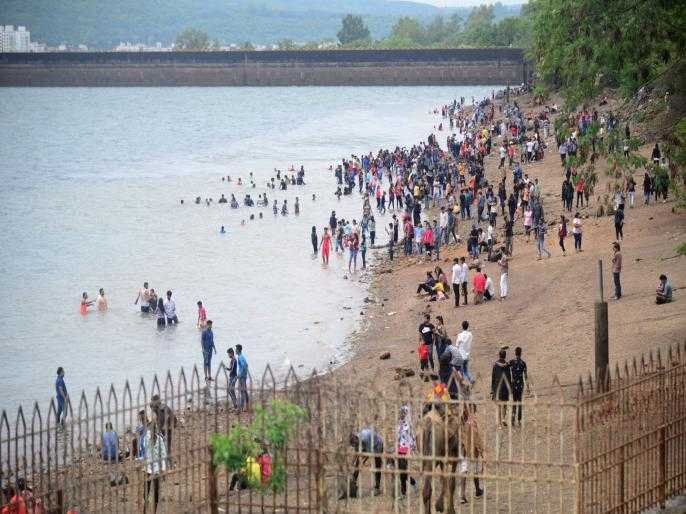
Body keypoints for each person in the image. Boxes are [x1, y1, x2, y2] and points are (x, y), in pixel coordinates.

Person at [347, 428, 384, 498]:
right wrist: (352, 463)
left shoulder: (365, 438)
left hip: (378, 444)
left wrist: (362, 461)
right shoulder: (356, 438)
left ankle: (377, 487)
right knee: (358, 463)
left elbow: (369, 453)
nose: (355, 445)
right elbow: (356, 451)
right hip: (368, 445)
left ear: (356, 438)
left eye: (355, 444)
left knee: (377, 465)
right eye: (354, 445)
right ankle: (353, 483)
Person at [143, 411, 168, 514]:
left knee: (147, 489)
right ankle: (153, 508)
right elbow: (164, 455)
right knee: (154, 490)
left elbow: (144, 448)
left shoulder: (147, 438)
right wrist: (163, 469)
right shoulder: (158, 439)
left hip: (149, 469)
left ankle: (147, 505)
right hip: (154, 469)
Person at [394, 405, 417, 498]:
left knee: (403, 471)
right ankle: (412, 482)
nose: (402, 414)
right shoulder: (399, 424)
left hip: (406, 450)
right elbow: (397, 438)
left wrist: (411, 450)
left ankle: (404, 492)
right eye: (401, 412)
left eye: (404, 412)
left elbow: (412, 438)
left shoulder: (409, 425)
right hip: (399, 449)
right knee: (401, 471)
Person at [509, 347, 530, 426]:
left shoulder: (511, 362)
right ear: (521, 353)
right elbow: (525, 376)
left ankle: (512, 419)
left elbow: (505, 367)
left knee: (514, 402)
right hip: (521, 385)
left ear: (515, 353)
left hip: (513, 385)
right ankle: (519, 420)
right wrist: (528, 387)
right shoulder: (523, 363)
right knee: (520, 402)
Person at [490, 349, 511, 428]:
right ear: (505, 356)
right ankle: (503, 419)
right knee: (505, 404)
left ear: (499, 355)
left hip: (498, 387)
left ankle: (499, 424)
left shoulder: (495, 365)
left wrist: (492, 390)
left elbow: (493, 377)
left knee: (498, 406)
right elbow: (509, 377)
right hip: (505, 387)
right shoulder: (507, 365)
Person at [236, 344, 250, 411]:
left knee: (242, 391)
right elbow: (247, 365)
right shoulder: (242, 356)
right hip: (244, 376)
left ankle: (242, 407)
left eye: (236, 349)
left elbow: (244, 365)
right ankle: (247, 405)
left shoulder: (240, 357)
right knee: (244, 391)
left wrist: (240, 374)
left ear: (238, 350)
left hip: (242, 377)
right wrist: (245, 373)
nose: (235, 350)